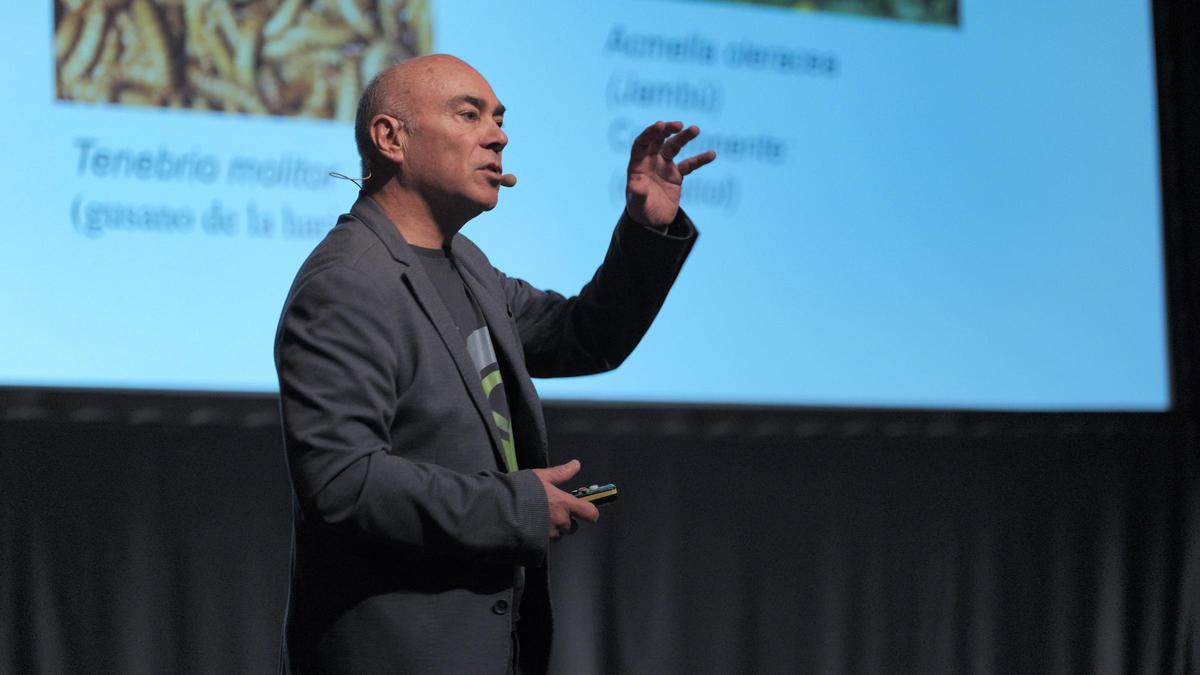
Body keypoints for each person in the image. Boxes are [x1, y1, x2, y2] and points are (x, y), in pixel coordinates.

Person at [274, 54, 715, 674]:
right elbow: (343, 483)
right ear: (390, 138)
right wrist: (517, 507)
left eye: (500, 119)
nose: (498, 134)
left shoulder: (468, 265)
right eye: (469, 114)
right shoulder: (347, 283)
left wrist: (645, 228)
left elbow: (584, 337)